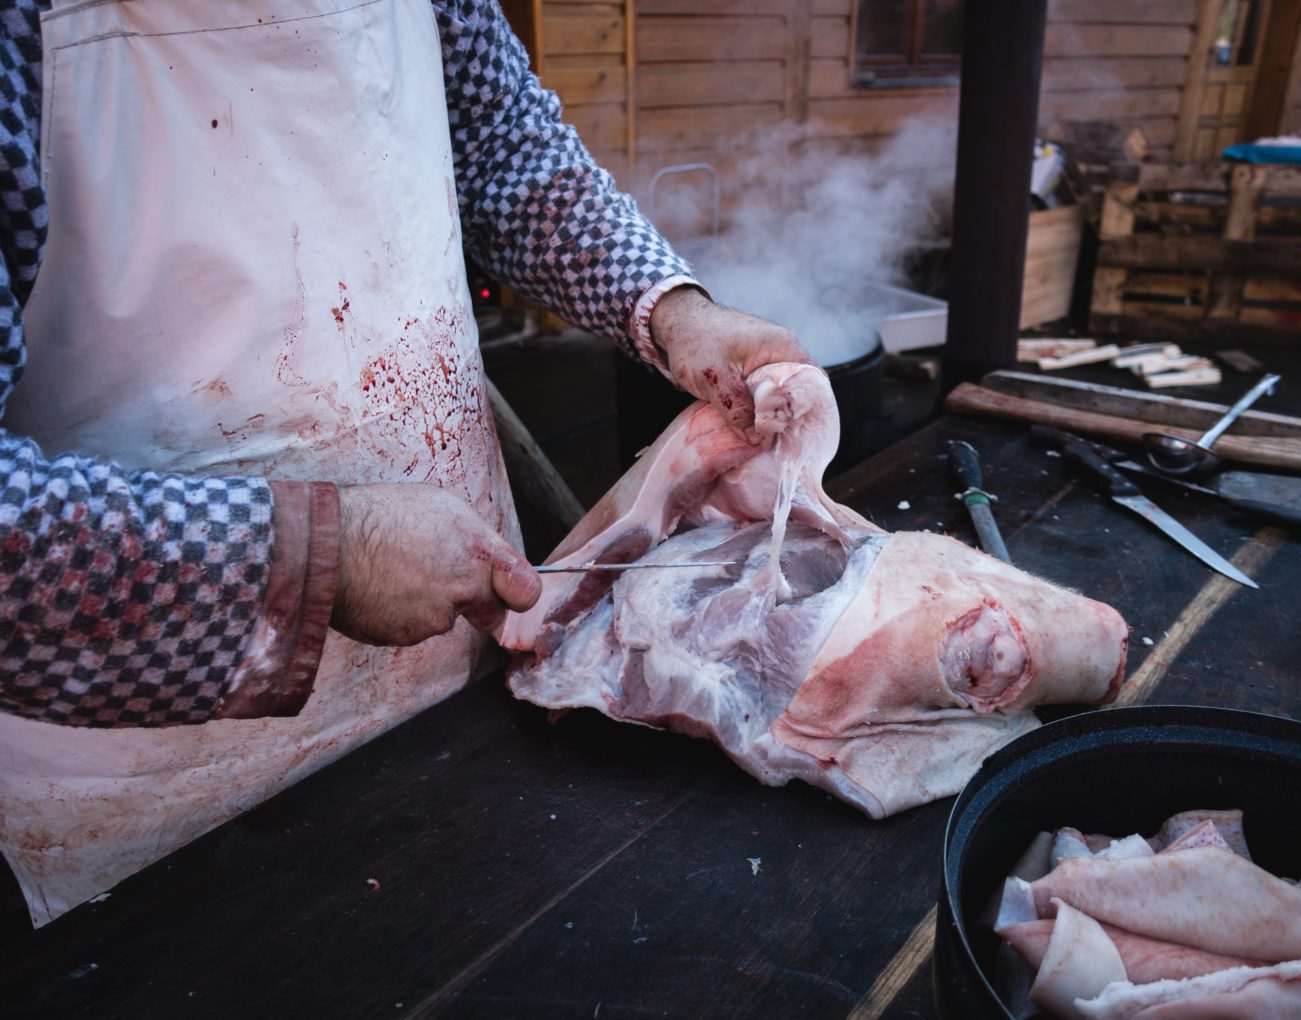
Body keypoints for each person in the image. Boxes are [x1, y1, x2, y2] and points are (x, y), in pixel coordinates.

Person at [0, 0, 812, 923]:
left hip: (448, 671)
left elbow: (510, 156)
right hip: (145, 772)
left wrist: (673, 313)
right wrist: (318, 558)